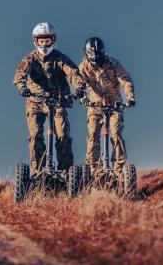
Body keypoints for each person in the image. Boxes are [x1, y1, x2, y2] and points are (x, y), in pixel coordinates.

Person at [14, 22, 85, 174]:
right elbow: (20, 75)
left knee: (63, 134)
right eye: (41, 40)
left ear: (53, 40)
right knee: (35, 135)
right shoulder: (30, 59)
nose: (45, 44)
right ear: (35, 41)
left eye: (47, 40)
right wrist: (22, 87)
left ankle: (66, 171)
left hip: (58, 100)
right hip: (36, 101)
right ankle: (38, 170)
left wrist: (79, 87)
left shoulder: (60, 58)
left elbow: (73, 73)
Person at [79, 37, 135, 179]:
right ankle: (93, 170)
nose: (94, 59)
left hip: (114, 104)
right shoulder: (84, 67)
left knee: (116, 133)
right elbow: (79, 84)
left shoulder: (113, 64)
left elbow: (125, 80)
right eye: (91, 55)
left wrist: (130, 97)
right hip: (95, 105)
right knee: (93, 135)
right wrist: (83, 97)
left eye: (97, 55)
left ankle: (118, 169)